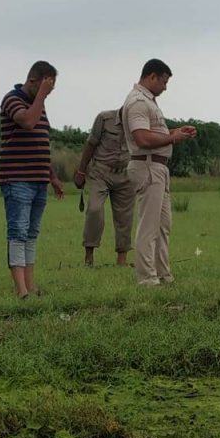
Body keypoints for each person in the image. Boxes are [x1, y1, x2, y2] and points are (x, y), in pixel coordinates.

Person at [122, 58, 196, 285]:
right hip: (147, 165)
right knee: (149, 225)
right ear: (151, 76)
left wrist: (176, 132)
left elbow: (154, 132)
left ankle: (163, 273)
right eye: (163, 81)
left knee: (163, 225)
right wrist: (173, 137)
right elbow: (142, 137)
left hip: (158, 166)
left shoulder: (149, 102)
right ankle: (147, 277)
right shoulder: (137, 102)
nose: (165, 87)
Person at [0, 61, 65, 298]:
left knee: (32, 233)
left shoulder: (39, 106)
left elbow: (40, 144)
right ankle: (21, 290)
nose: (50, 90)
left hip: (38, 179)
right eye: (47, 84)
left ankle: (30, 285)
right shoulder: (12, 98)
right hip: (17, 178)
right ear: (33, 80)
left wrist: (53, 177)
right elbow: (27, 122)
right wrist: (41, 98)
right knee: (18, 231)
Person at [73, 110, 133, 267]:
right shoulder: (104, 118)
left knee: (124, 217)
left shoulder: (139, 120)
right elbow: (91, 144)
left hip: (126, 173)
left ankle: (122, 260)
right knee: (94, 209)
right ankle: (89, 257)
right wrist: (81, 171)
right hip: (101, 172)